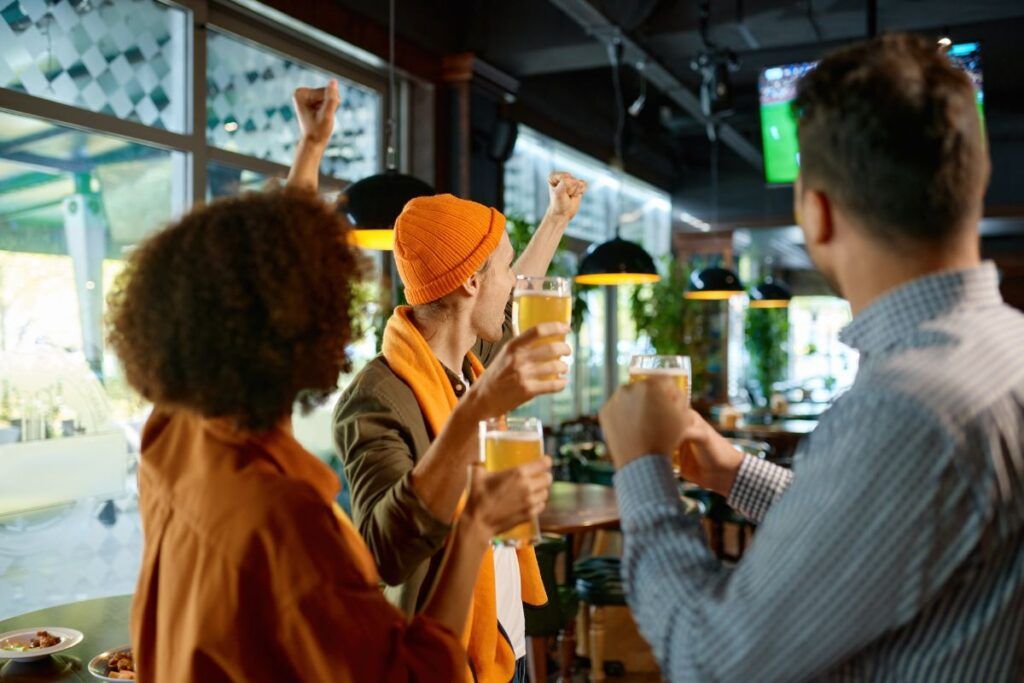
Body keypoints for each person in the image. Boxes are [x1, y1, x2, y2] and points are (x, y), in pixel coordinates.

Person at [599, 33, 1024, 682]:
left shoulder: (906, 408)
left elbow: (710, 659)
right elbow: (890, 524)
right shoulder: (1004, 350)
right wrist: (734, 470)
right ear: (975, 180)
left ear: (815, 212)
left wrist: (641, 470)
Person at [108, 80, 553, 682]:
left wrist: (310, 153)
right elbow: (414, 673)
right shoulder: (288, 522)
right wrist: (474, 523)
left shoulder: (172, 441)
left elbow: (262, 286)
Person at [333, 161, 585, 680]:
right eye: (505, 268)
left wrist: (556, 220)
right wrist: (476, 414)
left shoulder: (469, 365)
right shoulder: (376, 398)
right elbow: (386, 550)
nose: (514, 283)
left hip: (501, 636)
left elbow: (511, 306)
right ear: (471, 281)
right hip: (438, 657)